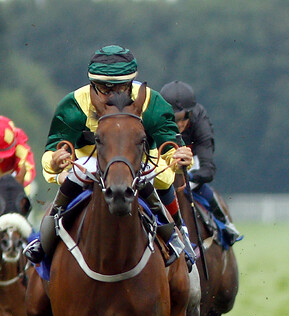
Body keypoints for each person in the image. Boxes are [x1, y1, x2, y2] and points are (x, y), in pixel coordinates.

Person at [23, 45, 195, 268]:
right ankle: (44, 239)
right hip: (91, 160)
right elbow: (51, 152)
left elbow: (171, 149)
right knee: (77, 173)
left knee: (157, 176)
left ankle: (178, 232)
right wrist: (55, 162)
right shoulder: (74, 104)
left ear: (132, 82)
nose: (113, 94)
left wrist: (180, 160)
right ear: (93, 85)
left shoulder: (152, 102)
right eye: (105, 88)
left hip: (137, 159)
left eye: (121, 87)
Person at [160, 80, 241, 244]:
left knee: (199, 189)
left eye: (184, 117)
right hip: (162, 162)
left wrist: (187, 181)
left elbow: (208, 169)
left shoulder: (199, 119)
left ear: (192, 113)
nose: (180, 123)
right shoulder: (154, 119)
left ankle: (225, 225)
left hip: (192, 163)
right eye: (175, 118)